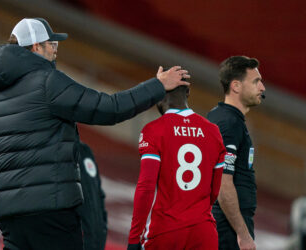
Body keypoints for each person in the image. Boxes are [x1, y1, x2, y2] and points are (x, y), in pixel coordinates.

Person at [0, 17, 190, 250]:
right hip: (52, 211)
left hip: (11, 219)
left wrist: (5, 202)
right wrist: (157, 85)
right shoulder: (48, 82)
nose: (55, 51)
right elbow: (108, 108)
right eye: (52, 44)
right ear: (36, 47)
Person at [127, 84, 226, 250]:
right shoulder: (213, 132)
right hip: (203, 232)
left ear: (158, 96)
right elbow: (214, 191)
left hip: (166, 231)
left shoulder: (154, 130)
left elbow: (146, 188)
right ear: (188, 91)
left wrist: (134, 237)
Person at [207, 56, 266, 250]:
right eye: (256, 81)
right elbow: (223, 183)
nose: (262, 88)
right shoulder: (229, 123)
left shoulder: (223, 117)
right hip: (228, 227)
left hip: (226, 222)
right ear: (236, 86)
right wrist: (243, 234)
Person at [76, 142, 107, 250]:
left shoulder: (85, 151)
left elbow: (98, 196)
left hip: (94, 243)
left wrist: (102, 229)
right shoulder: (53, 151)